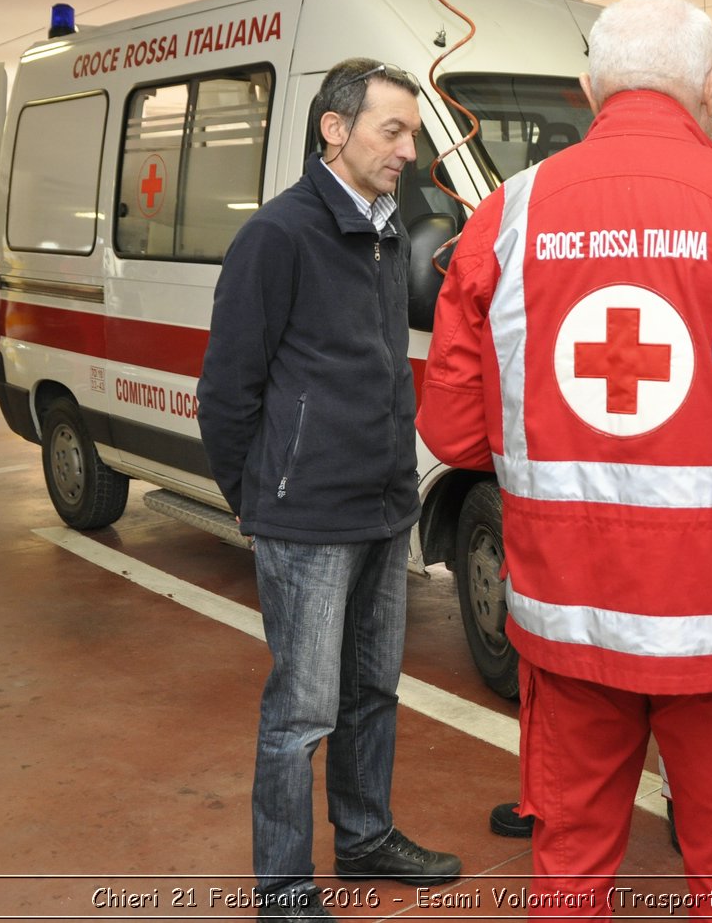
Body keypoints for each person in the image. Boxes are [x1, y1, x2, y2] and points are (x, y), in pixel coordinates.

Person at [417, 0, 712, 918]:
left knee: (569, 867)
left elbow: (454, 434)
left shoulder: (504, 219)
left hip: (563, 619)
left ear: (590, 90)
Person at [198, 58, 461, 922]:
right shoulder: (277, 236)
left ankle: (365, 834)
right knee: (300, 712)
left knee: (373, 690)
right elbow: (228, 388)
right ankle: (283, 887)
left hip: (384, 504)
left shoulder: (386, 229)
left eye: (413, 133)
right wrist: (254, 495)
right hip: (307, 517)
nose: (409, 151)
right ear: (335, 130)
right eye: (394, 130)